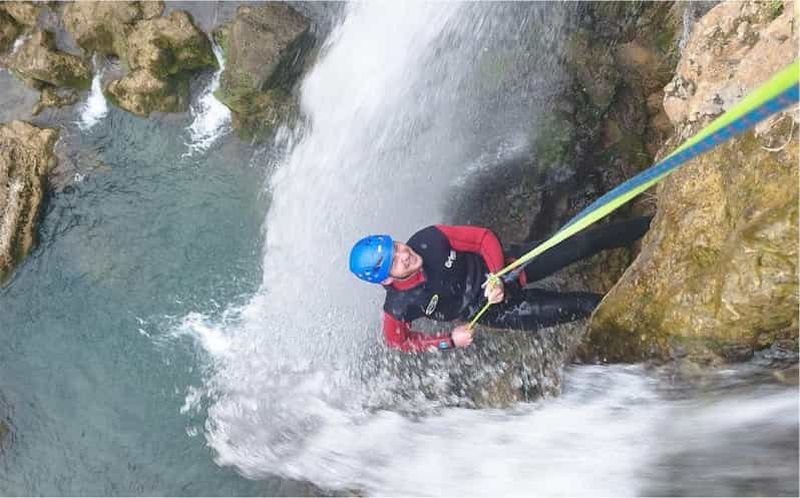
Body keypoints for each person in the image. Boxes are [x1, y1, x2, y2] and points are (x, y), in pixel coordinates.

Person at [348, 217, 651, 352]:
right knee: (586, 305)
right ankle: (648, 313)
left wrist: (495, 274)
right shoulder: (399, 307)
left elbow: (482, 238)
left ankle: (654, 221)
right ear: (386, 279)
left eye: (397, 246)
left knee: (587, 240)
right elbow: (398, 343)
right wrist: (449, 340)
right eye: (395, 260)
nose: (404, 254)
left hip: (511, 266)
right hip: (500, 312)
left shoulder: (430, 240)